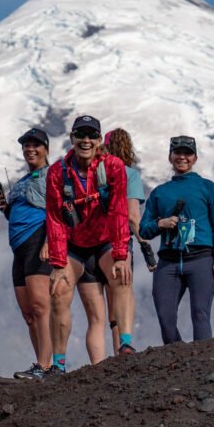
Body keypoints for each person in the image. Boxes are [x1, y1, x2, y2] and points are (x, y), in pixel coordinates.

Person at [45, 115, 131, 371]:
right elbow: (55, 218)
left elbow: (118, 210)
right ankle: (58, 364)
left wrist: (120, 254)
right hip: (75, 246)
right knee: (59, 290)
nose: (86, 140)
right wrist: (59, 263)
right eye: (80, 135)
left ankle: (125, 343)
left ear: (98, 140)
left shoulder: (113, 167)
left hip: (104, 241)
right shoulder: (57, 173)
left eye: (92, 135)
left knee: (121, 276)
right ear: (71, 139)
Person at [139, 136, 214, 344]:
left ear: (195, 158)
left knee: (200, 314)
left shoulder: (207, 188)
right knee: (165, 318)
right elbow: (144, 229)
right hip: (168, 262)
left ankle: (203, 364)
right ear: (170, 157)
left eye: (187, 153)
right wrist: (160, 224)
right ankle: (178, 364)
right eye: (177, 153)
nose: (182, 157)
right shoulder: (160, 193)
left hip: (201, 259)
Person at [0, 128, 54, 380]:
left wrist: (51, 241)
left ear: (46, 149)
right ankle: (39, 363)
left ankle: (47, 365)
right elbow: (18, 213)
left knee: (40, 306)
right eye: (26, 145)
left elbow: (59, 210)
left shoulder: (53, 176)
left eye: (36, 145)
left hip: (39, 241)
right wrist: (5, 207)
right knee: (28, 312)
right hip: (19, 249)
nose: (30, 149)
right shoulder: (22, 182)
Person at [103, 128, 152, 356]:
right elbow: (133, 216)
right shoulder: (129, 174)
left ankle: (102, 358)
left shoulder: (94, 173)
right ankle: (122, 346)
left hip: (94, 242)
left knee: (101, 304)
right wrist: (145, 245)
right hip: (120, 241)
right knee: (123, 292)